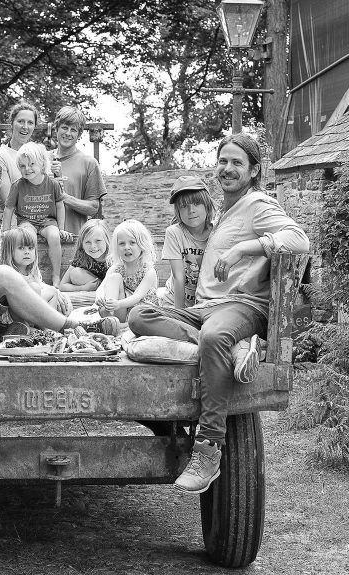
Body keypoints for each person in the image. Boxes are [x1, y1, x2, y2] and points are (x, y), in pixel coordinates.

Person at [128, 133, 310, 495]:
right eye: (223, 161)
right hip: (206, 310)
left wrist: (245, 247)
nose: (227, 168)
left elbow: (299, 239)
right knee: (139, 316)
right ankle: (228, 350)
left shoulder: (257, 204)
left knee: (214, 336)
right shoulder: (224, 211)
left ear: (254, 170)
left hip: (243, 306)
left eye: (237, 163)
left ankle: (209, 449)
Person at [0, 152, 120, 337]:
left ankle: (17, 330)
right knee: (5, 273)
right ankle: (73, 327)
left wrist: (52, 289)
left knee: (37, 289)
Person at [2, 142, 72, 285]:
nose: (27, 169)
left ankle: (56, 276)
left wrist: (61, 229)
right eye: (22, 166)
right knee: (29, 237)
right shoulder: (18, 185)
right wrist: (6, 231)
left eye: (31, 164)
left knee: (54, 235)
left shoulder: (53, 184)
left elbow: (60, 206)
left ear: (42, 164)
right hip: (27, 221)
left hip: (48, 221)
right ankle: (32, 275)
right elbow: (8, 209)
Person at [157, 175, 215, 310]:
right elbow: (178, 276)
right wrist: (180, 314)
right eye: (184, 206)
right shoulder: (174, 233)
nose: (191, 210)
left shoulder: (217, 231)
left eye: (196, 203)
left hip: (206, 303)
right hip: (174, 302)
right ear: (178, 210)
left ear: (207, 204)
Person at [49, 106, 107, 236]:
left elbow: (93, 208)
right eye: (64, 127)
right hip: (40, 239)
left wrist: (63, 197)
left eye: (73, 130)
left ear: (79, 135)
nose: (68, 133)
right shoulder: (41, 159)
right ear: (56, 128)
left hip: (74, 239)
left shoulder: (89, 163)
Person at [97, 219, 159, 323]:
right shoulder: (117, 268)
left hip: (141, 311)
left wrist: (119, 304)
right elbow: (102, 287)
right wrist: (100, 297)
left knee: (137, 314)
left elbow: (137, 296)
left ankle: (115, 322)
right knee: (114, 277)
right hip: (121, 311)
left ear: (141, 245)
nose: (127, 247)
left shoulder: (148, 271)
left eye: (132, 242)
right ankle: (111, 320)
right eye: (122, 243)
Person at [1, 226, 72, 316]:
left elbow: (40, 284)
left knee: (65, 301)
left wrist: (58, 293)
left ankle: (50, 325)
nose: (27, 252)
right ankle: (48, 326)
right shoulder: (10, 273)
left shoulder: (31, 271)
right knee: (46, 291)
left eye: (30, 248)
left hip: (32, 309)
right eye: (21, 248)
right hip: (16, 314)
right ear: (9, 251)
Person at [0, 101, 51, 207]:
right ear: (11, 123)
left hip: (43, 219)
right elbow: (9, 200)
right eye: (20, 121)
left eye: (30, 123)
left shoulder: (40, 154)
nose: (25, 126)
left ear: (34, 126)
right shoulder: (0, 156)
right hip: (15, 221)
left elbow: (51, 192)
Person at [59, 218, 110, 293]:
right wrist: (84, 287)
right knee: (75, 273)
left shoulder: (113, 256)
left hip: (111, 285)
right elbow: (62, 286)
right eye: (88, 242)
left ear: (107, 240)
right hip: (94, 283)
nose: (93, 246)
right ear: (82, 244)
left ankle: (102, 288)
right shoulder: (82, 255)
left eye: (98, 241)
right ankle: (98, 288)